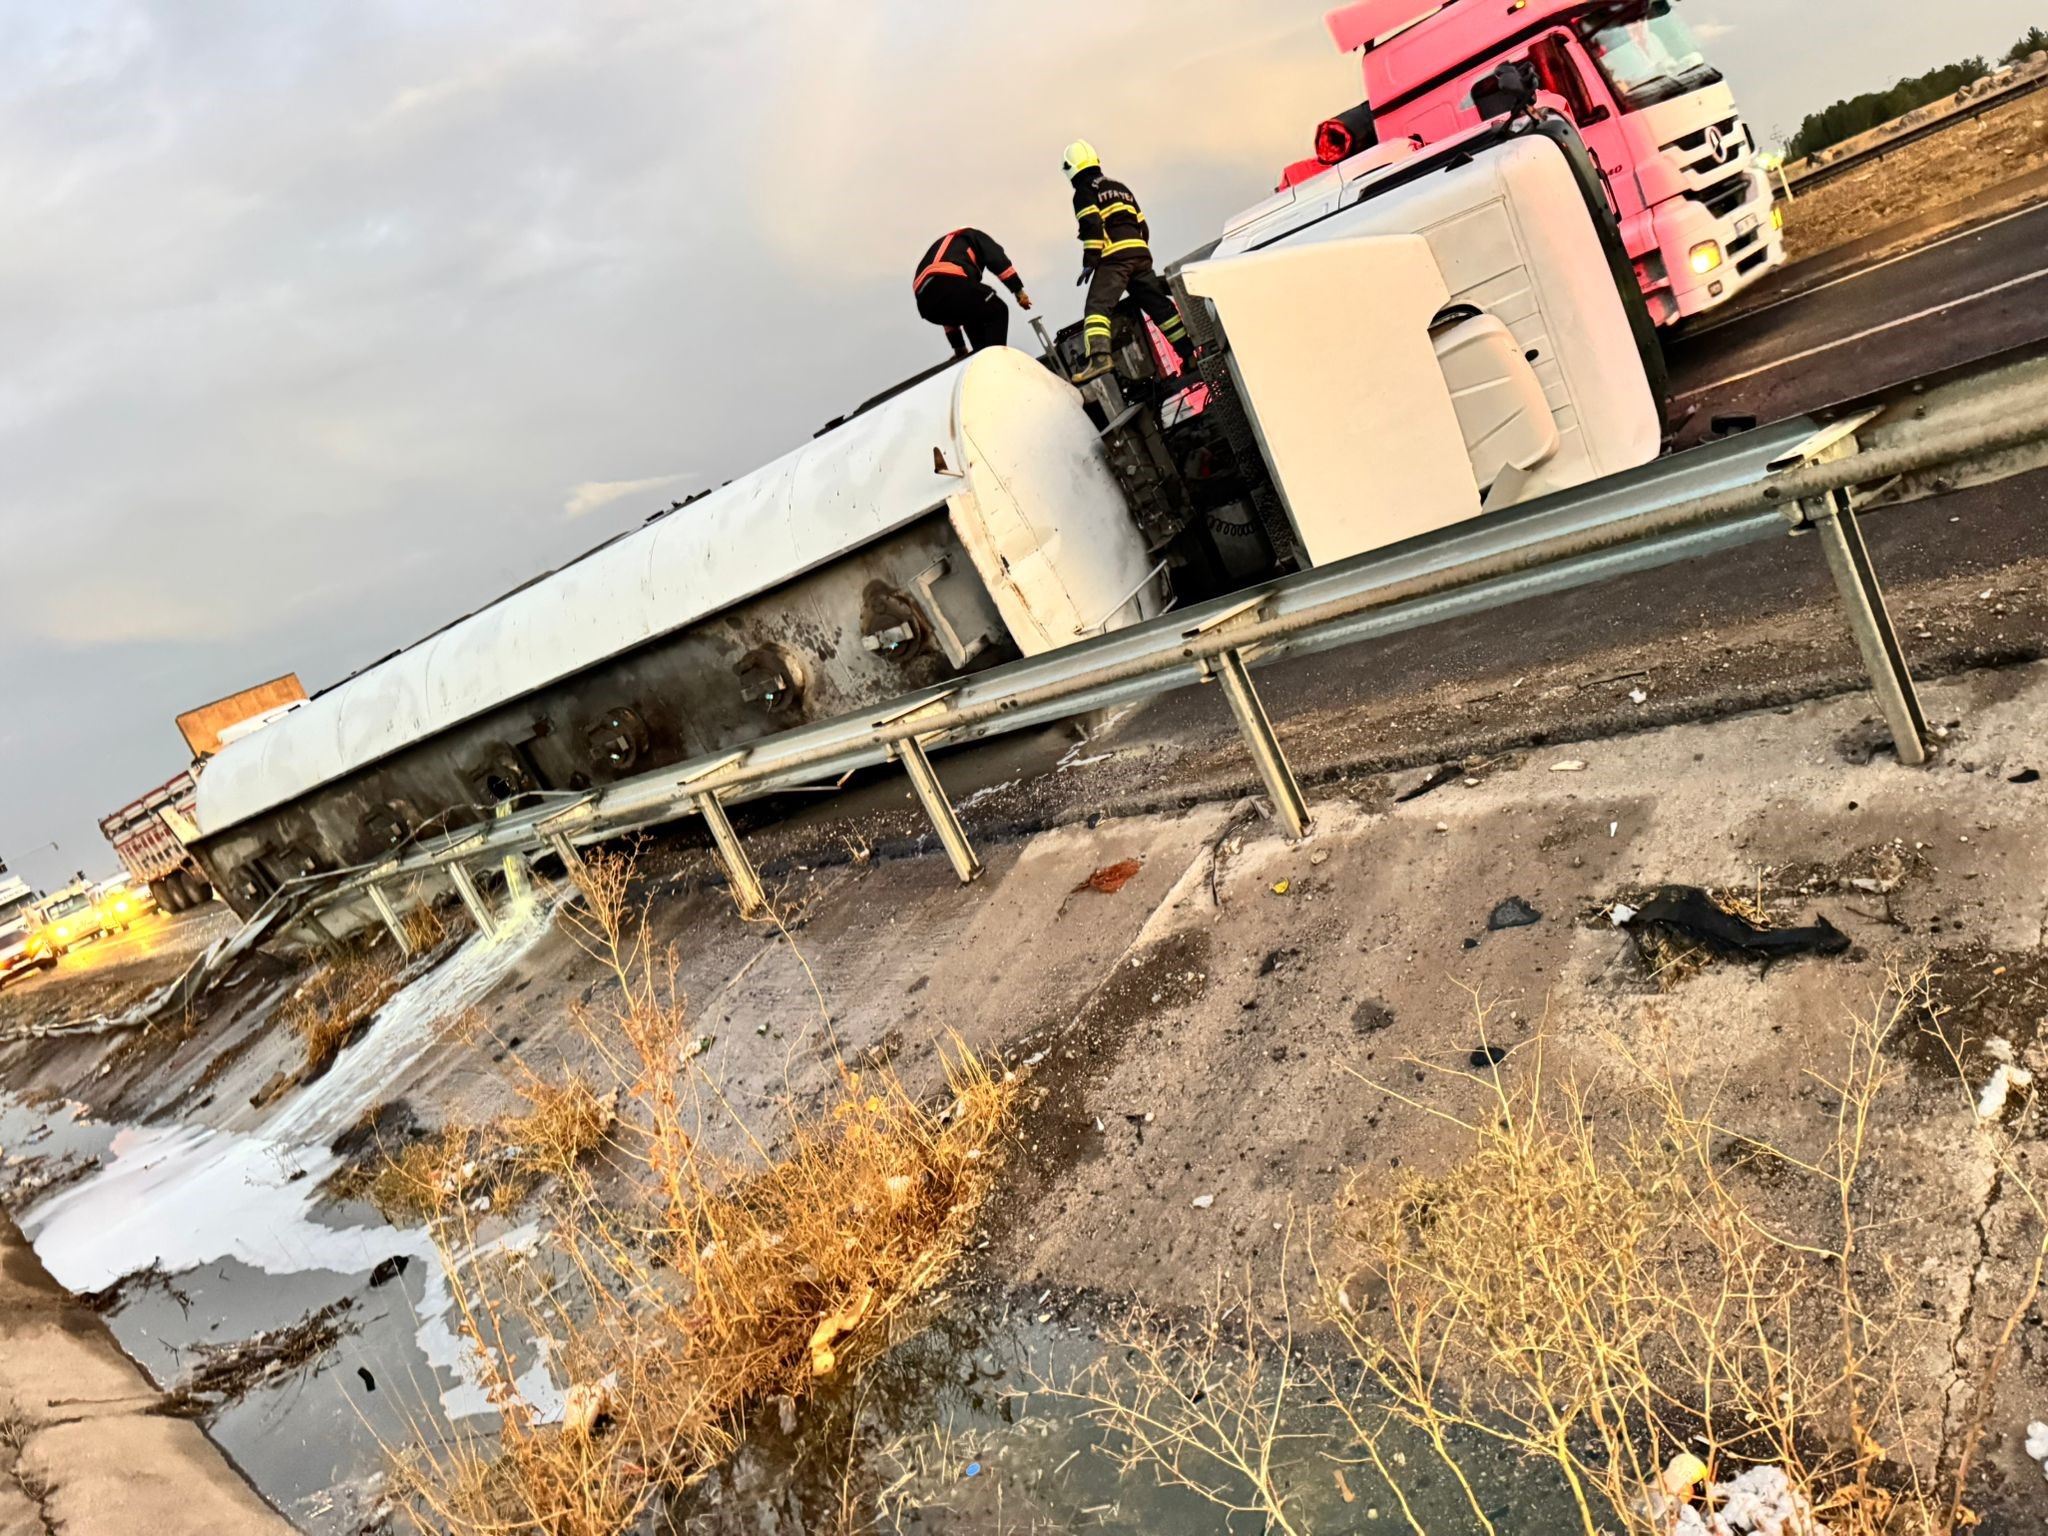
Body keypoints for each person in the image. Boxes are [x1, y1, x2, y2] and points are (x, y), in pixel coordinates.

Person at [1063, 139, 1194, 383]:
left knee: (1097, 307)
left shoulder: (1083, 192)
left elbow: (1092, 224)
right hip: (1140, 254)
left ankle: (1100, 357)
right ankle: (1188, 354)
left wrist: (1090, 260)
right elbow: (1142, 225)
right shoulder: (1120, 187)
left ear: (1070, 168)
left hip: (1114, 258)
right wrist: (1138, 252)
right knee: (1159, 306)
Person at [913, 229, 1033, 356]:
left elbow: (949, 308)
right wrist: (1018, 290)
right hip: (948, 280)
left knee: (972, 314)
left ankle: (980, 355)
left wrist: (958, 347)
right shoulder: (972, 236)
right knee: (997, 309)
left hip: (925, 302)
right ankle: (997, 359)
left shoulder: (950, 250)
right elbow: (997, 259)